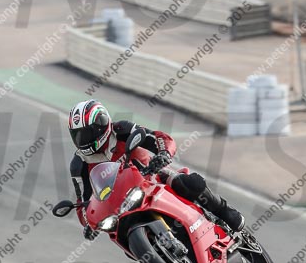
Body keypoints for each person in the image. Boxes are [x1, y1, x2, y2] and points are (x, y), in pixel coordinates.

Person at [68, 99, 245, 241]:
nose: (83, 139)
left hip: (151, 178)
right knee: (116, 233)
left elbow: (159, 137)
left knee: (187, 182)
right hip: (118, 205)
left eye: (87, 133)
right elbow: (83, 203)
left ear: (101, 124)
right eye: (78, 135)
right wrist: (89, 224)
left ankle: (224, 211)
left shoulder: (122, 130)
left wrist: (164, 154)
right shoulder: (79, 164)